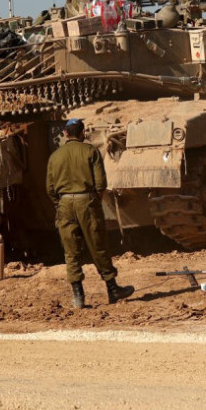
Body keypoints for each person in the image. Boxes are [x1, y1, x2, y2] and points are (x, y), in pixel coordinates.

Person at [45, 118, 134, 309]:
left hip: (64, 203)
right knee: (98, 246)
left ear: (66, 134)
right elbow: (101, 184)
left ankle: (78, 296)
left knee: (71, 251)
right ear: (83, 133)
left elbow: (50, 189)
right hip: (87, 201)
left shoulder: (55, 156)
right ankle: (112, 289)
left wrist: (61, 204)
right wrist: (93, 201)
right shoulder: (90, 151)